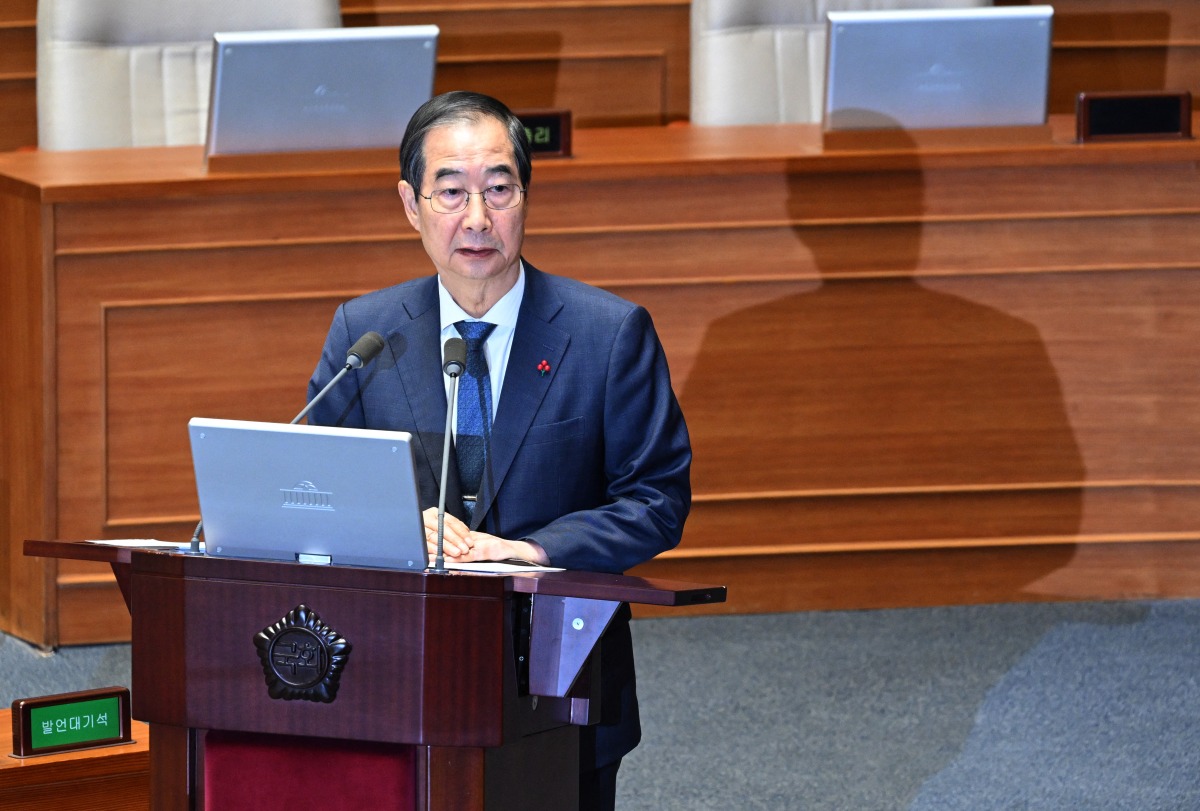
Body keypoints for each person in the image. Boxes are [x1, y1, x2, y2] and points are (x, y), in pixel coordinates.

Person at [306, 90, 691, 809]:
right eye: (451, 191)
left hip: (562, 676)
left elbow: (657, 499)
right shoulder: (366, 332)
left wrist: (535, 550)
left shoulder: (609, 334)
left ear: (526, 197)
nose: (477, 218)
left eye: (499, 189)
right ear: (411, 205)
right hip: (399, 672)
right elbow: (313, 487)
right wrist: (396, 524)